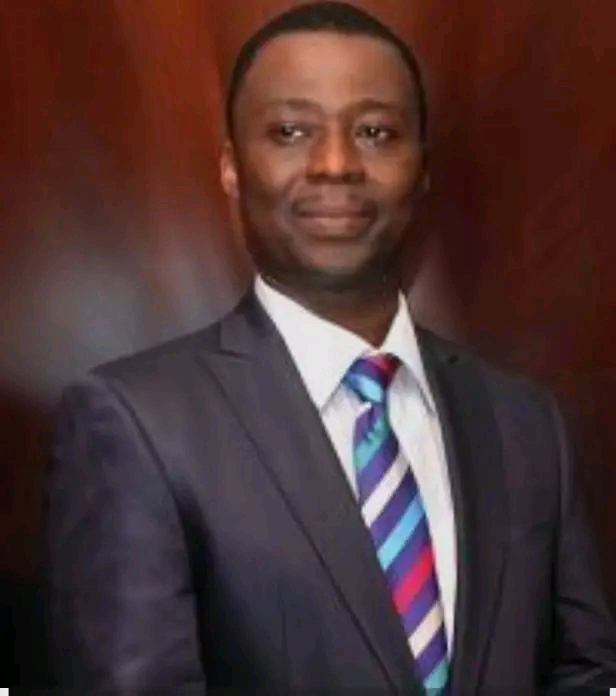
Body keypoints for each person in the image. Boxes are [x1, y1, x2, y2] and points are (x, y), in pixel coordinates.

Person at [43, 2, 616, 694]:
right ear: (231, 166)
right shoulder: (135, 423)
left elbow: (587, 672)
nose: (337, 164)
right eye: (291, 131)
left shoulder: (527, 424)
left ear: (422, 167)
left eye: (375, 131)